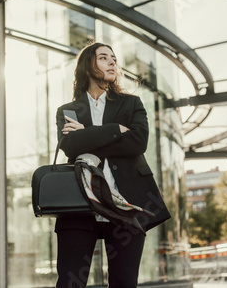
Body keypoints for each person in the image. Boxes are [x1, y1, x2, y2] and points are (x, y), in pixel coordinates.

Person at [55, 42, 170, 288]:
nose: (112, 63)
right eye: (103, 57)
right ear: (88, 65)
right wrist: (115, 130)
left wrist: (87, 134)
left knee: (124, 283)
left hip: (126, 205)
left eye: (114, 59)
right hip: (79, 206)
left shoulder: (131, 104)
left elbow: (138, 143)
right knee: (69, 283)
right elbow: (70, 146)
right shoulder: (67, 110)